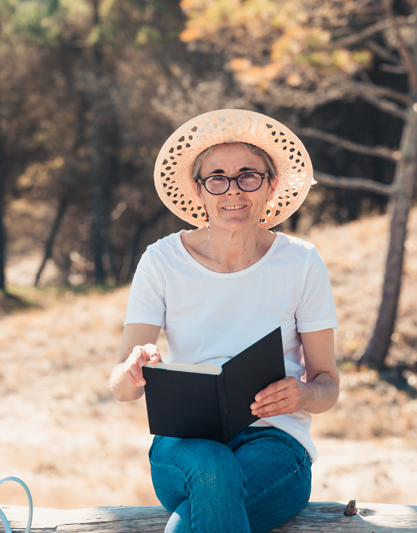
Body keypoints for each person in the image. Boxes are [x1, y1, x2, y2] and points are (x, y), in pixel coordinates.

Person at [109, 109, 339, 533]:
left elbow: (328, 386)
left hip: (277, 445)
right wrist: (134, 369)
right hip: (184, 445)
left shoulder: (301, 262)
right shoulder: (161, 261)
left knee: (188, 524)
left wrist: (302, 395)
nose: (232, 190)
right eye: (217, 178)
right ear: (199, 190)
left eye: (248, 175)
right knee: (212, 465)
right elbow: (121, 388)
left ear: (271, 186)